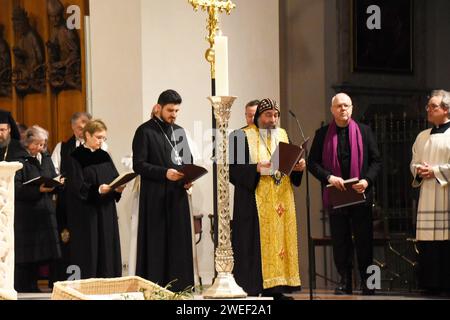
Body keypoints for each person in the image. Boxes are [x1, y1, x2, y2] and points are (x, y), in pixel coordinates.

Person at [230, 98, 305, 299]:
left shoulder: (282, 134)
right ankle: (254, 288)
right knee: (255, 246)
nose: (273, 120)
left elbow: (288, 168)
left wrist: (298, 168)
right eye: (268, 115)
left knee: (280, 246)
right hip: (254, 204)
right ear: (257, 117)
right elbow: (233, 172)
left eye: (275, 115)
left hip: (281, 201)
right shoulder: (239, 136)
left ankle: (277, 289)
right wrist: (255, 168)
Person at [308, 93, 381, 295]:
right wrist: (329, 177)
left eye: (346, 105)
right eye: (339, 106)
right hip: (337, 196)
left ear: (352, 108)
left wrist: (366, 180)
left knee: (364, 240)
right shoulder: (322, 134)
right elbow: (312, 163)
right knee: (340, 241)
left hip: (360, 195)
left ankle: (369, 283)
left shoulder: (365, 132)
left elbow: (376, 161)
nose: (343, 109)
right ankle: (344, 281)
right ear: (332, 109)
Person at [132, 89, 194, 292]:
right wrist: (164, 173)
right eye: (170, 110)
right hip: (155, 197)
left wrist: (189, 178)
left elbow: (188, 161)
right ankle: (155, 288)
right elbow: (139, 165)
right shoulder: (145, 131)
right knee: (157, 244)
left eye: (176, 110)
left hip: (177, 196)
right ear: (158, 108)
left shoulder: (180, 132)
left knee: (179, 244)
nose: (174, 115)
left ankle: (180, 289)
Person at [66, 120, 123, 279]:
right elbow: (77, 186)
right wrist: (97, 189)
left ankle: (108, 279)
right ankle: (89, 281)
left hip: (106, 210)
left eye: (104, 138)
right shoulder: (75, 157)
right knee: (90, 247)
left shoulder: (104, 155)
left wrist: (118, 188)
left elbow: (114, 177)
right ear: (87, 135)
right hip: (87, 212)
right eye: (98, 137)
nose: (101, 141)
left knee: (107, 245)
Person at [411, 90, 450, 296]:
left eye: (433, 106)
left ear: (446, 110)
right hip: (427, 194)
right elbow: (413, 162)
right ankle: (429, 283)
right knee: (429, 243)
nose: (429, 109)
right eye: (428, 106)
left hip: (446, 194)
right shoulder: (422, 136)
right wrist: (418, 170)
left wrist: (434, 171)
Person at [14, 126, 62, 292]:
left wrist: (57, 183)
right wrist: (37, 190)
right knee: (27, 254)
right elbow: (16, 188)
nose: (41, 148)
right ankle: (24, 286)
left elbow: (51, 175)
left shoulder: (46, 158)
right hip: (27, 214)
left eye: (43, 144)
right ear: (28, 143)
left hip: (45, 212)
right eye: (38, 144)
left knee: (41, 253)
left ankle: (35, 285)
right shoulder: (20, 160)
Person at [46, 0, 81, 90]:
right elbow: (55, 52)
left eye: (57, 16)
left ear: (61, 15)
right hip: (60, 66)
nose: (55, 20)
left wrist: (64, 63)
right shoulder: (54, 30)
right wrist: (52, 49)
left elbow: (75, 51)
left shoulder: (67, 29)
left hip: (69, 65)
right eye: (52, 17)